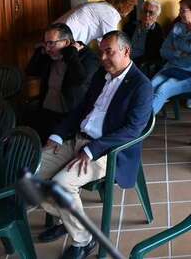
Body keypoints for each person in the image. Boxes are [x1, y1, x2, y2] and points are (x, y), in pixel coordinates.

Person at [35, 31, 153, 259]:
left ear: (126, 51)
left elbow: (132, 129)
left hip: (107, 151)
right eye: (101, 52)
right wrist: (58, 134)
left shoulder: (141, 86)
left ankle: (84, 240)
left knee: (61, 185)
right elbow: (80, 109)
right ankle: (68, 218)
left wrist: (92, 150)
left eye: (109, 52)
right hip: (77, 139)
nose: (103, 58)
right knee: (30, 172)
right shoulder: (102, 75)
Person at [25, 23, 100, 142]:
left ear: (66, 42)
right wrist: (40, 51)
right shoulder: (50, 55)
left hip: (69, 117)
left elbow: (80, 80)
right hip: (46, 111)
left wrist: (72, 55)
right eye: (45, 43)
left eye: (51, 43)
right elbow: (31, 71)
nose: (48, 48)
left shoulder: (88, 57)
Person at [151, 0, 191, 114]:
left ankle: (141, 122)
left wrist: (174, 55)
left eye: (182, 10)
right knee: (149, 87)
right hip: (171, 68)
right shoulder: (178, 27)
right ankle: (137, 118)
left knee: (163, 89)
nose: (179, 13)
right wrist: (180, 53)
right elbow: (163, 51)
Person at [57, 0, 138, 46]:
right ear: (126, 6)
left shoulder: (103, 7)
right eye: (131, 6)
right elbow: (111, 42)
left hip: (57, 33)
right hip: (64, 40)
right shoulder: (110, 14)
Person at [122, 0, 165, 70]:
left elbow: (156, 55)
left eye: (151, 12)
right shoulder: (130, 26)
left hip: (140, 63)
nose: (147, 14)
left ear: (156, 16)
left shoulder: (158, 32)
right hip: (123, 57)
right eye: (145, 11)